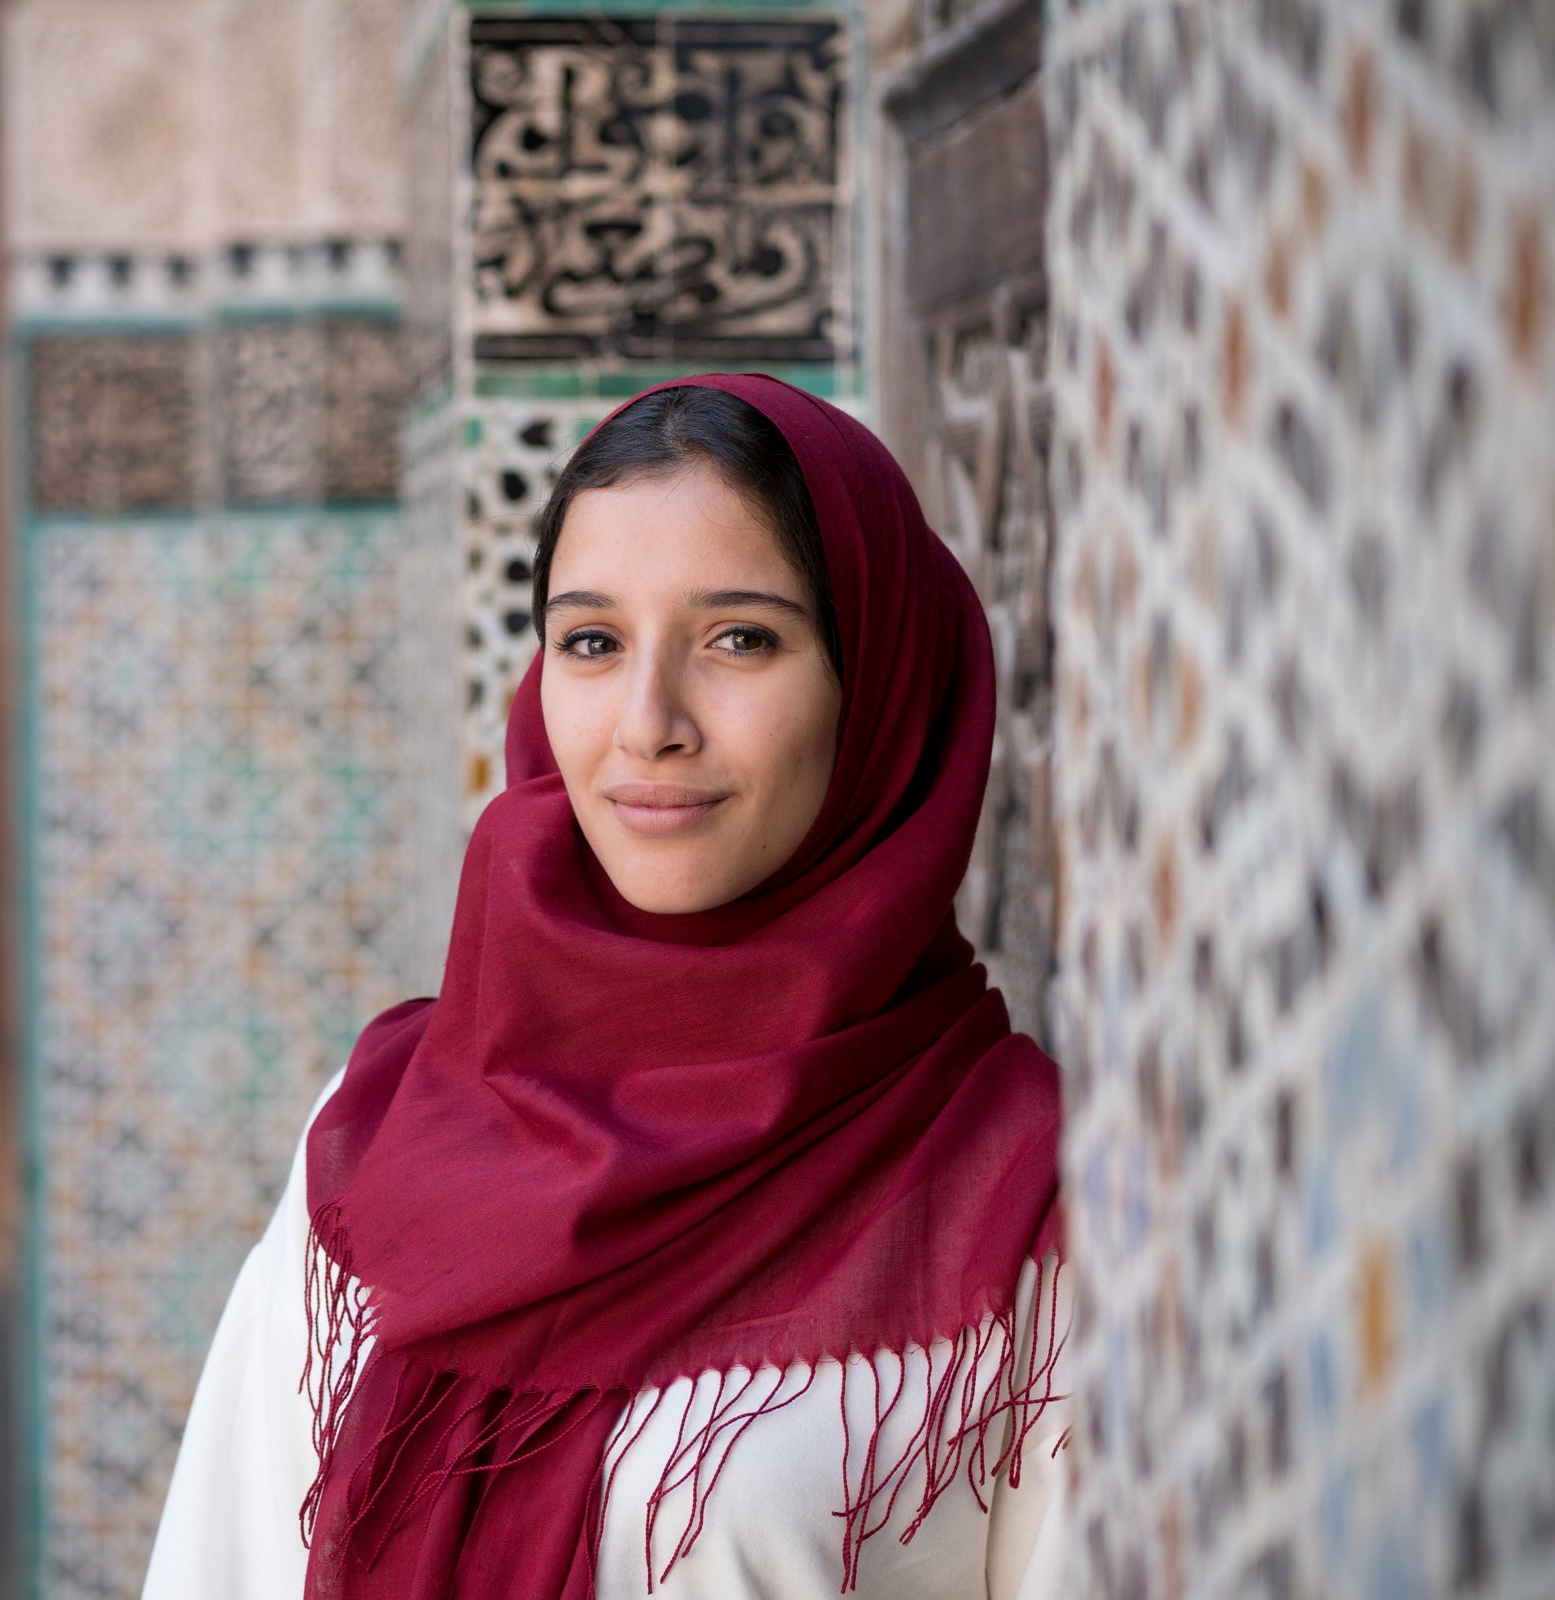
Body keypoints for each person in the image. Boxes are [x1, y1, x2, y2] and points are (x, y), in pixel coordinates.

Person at [142, 374, 1069, 1599]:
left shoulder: (1024, 1198)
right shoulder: (377, 1132)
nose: (647, 723)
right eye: (591, 641)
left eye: (741, 637)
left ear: (883, 687)